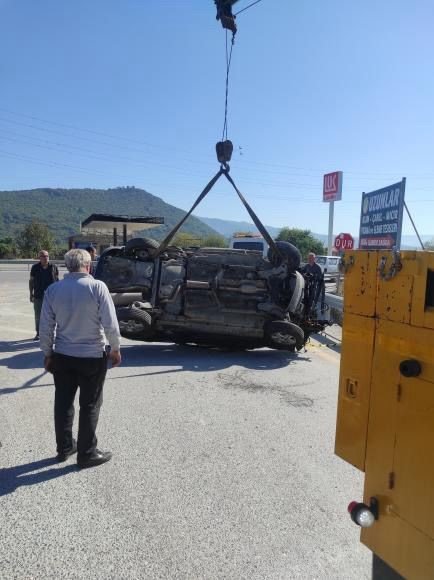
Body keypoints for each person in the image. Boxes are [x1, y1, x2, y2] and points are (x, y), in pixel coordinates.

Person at [39, 249, 122, 469]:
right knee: (90, 404)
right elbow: (110, 324)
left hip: (63, 356)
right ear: (88, 265)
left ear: (67, 266)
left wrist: (47, 353)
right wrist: (115, 348)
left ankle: (65, 447)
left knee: (63, 403)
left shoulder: (53, 290)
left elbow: (46, 327)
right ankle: (86, 453)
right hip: (92, 356)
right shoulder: (97, 287)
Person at [29, 250, 59, 340]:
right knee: (38, 316)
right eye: (43, 256)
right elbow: (31, 281)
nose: (45, 258)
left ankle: (52, 333)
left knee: (53, 315)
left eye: (47, 256)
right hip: (38, 295)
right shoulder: (35, 268)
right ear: (39, 258)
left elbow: (57, 281)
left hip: (52, 296)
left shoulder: (53, 267)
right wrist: (31, 294)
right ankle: (38, 333)